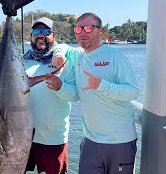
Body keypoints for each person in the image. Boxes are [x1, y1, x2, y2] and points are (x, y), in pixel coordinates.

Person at [49, 12, 140, 174]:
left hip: (120, 141)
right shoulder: (79, 56)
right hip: (90, 141)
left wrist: (102, 85)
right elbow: (77, 94)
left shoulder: (114, 56)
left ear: (100, 31)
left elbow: (133, 92)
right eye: (78, 29)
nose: (83, 32)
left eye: (89, 28)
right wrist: (60, 84)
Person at [23, 17, 77, 174]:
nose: (41, 35)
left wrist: (61, 87)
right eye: (36, 32)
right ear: (31, 36)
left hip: (53, 138)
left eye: (46, 31)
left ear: (54, 36)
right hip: (22, 136)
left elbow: (75, 96)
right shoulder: (20, 61)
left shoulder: (64, 61)